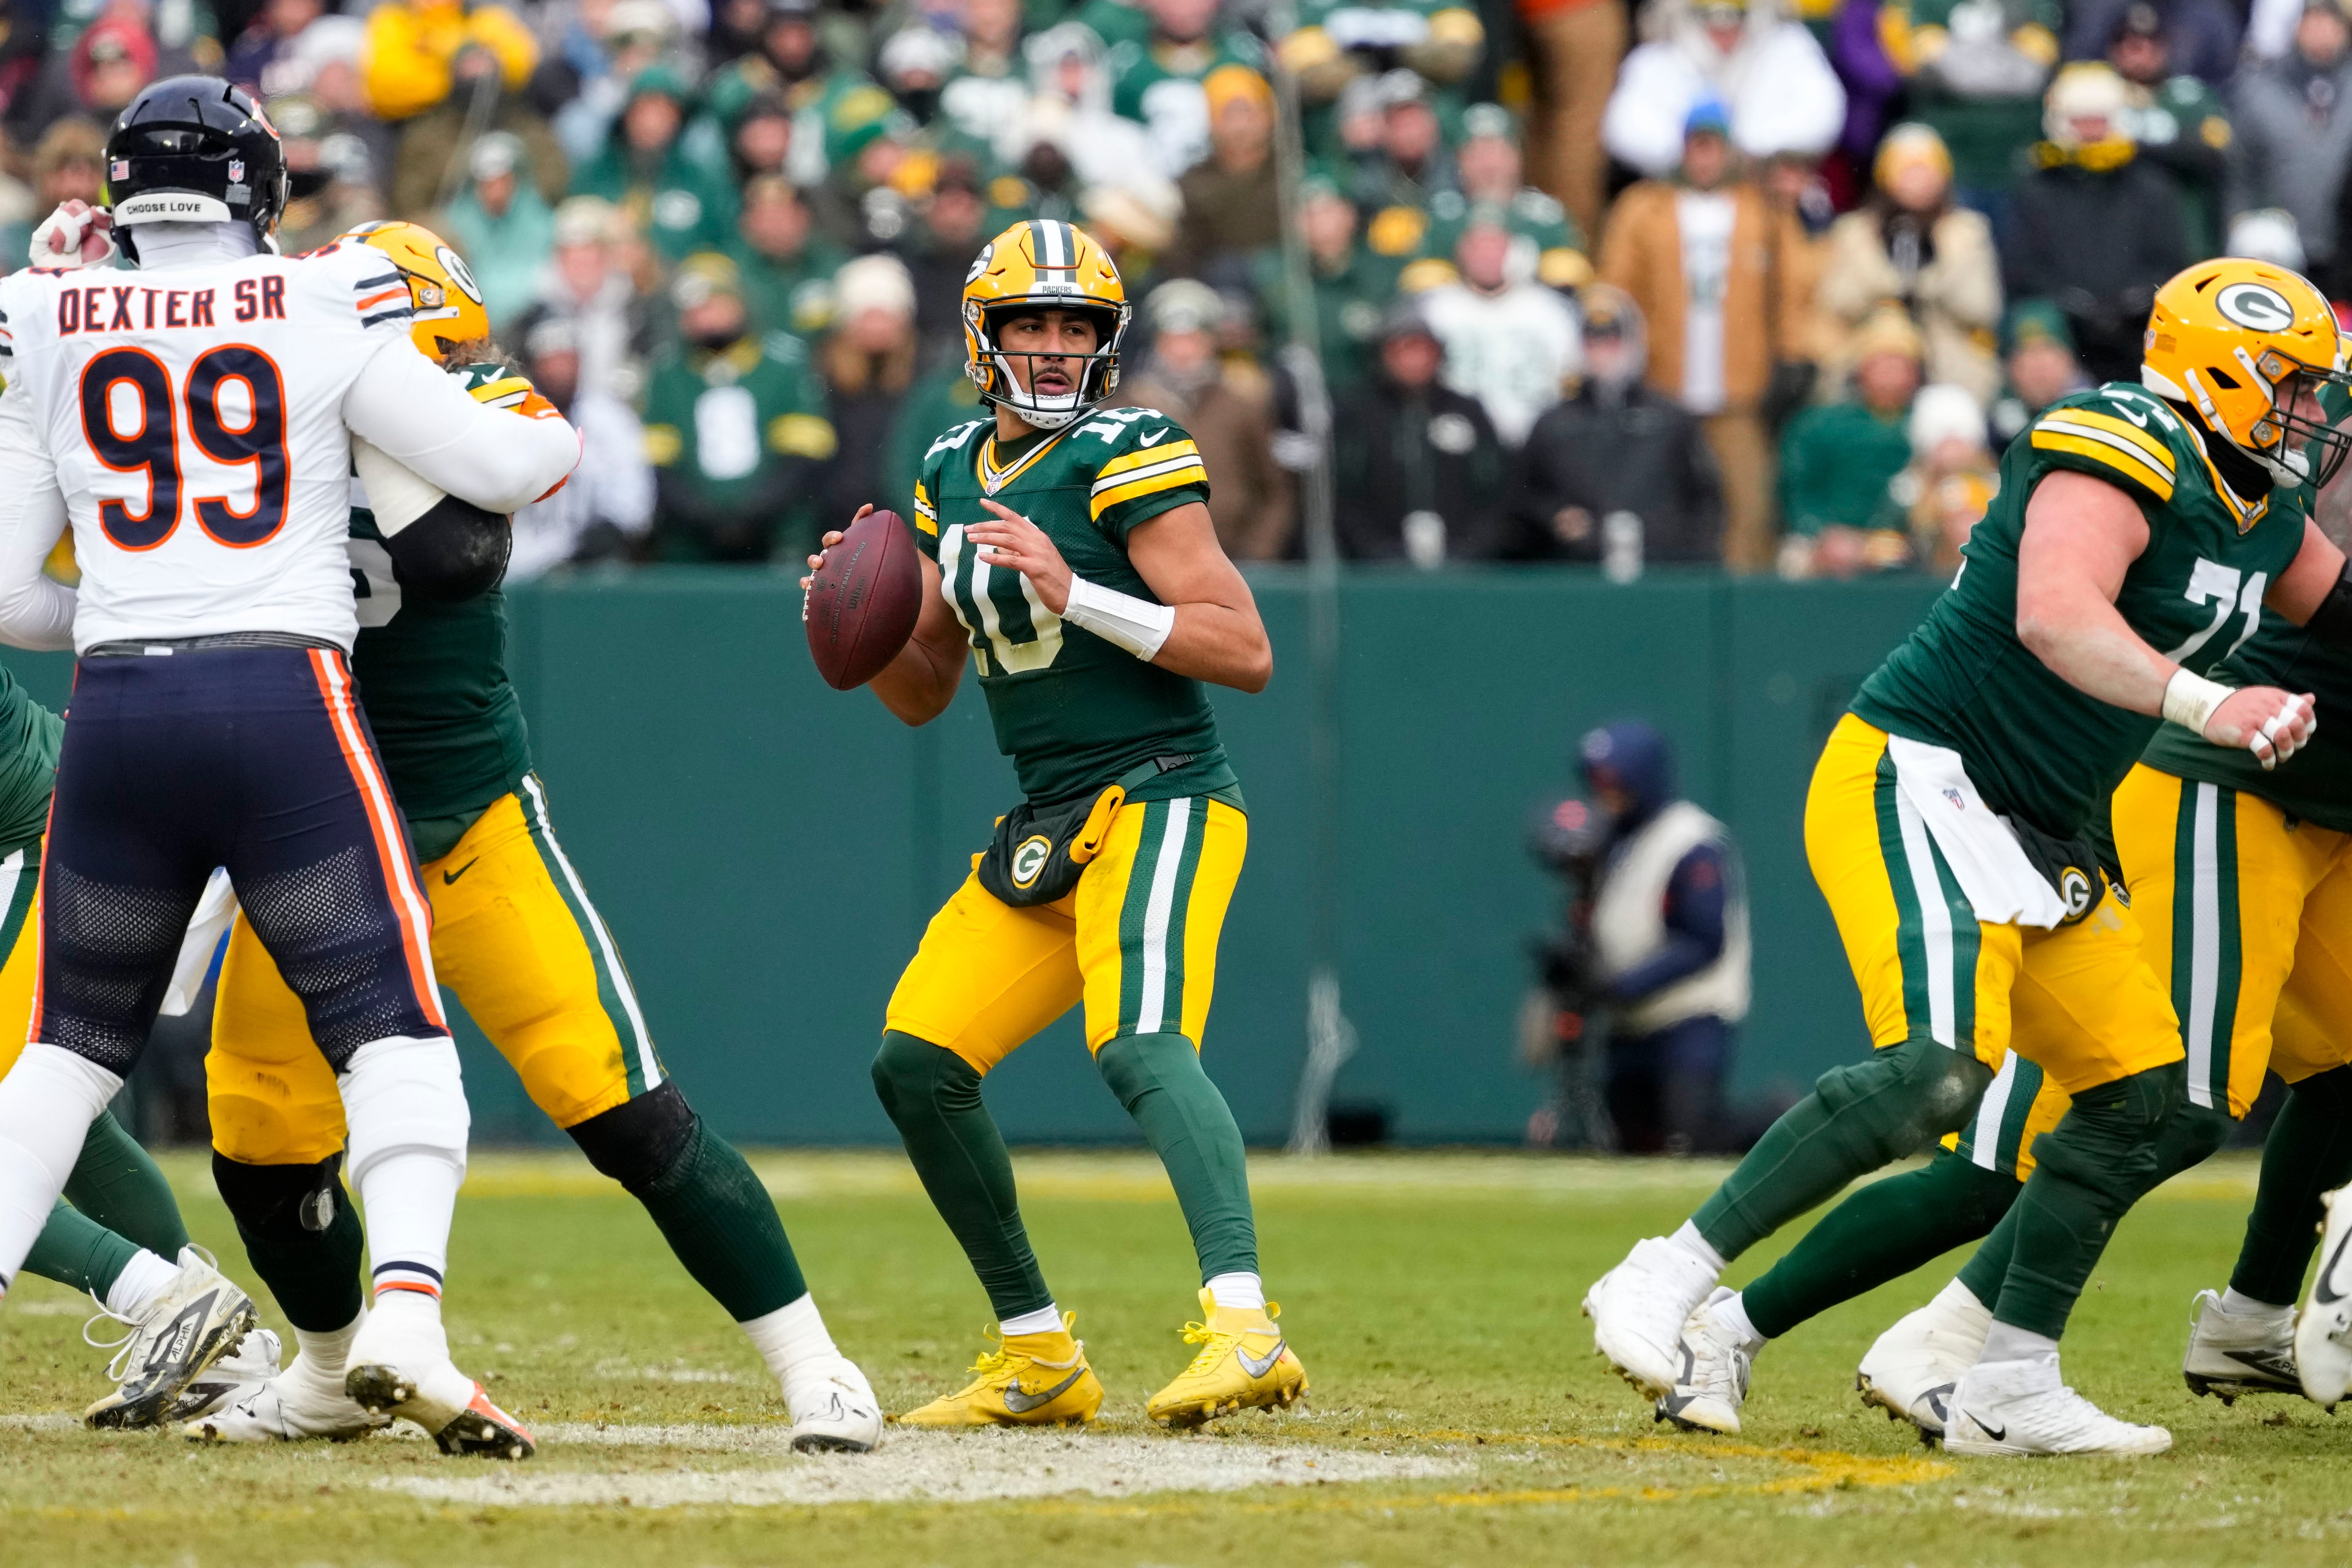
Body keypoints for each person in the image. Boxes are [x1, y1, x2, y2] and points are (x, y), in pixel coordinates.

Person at [1588, 254, 2352, 1458]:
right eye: (2294, 387)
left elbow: (2342, 605)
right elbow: (2057, 613)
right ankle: (1668, 1270)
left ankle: (2008, 1381)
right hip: (1925, 771)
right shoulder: (2123, 435)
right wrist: (2210, 704)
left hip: (2047, 827)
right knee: (1938, 1070)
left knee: (2143, 1099)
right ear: (2220, 372)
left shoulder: (2263, 507)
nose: (2315, 414)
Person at [164, 221, 876, 1452]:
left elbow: (457, 543)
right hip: (314, 837)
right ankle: (333, 1371)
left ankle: (815, 1360)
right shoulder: (258, 419)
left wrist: (361, 428)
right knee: (258, 1141)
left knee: (625, 1110)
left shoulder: (477, 406)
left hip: (462, 822)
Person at [0, 77, 577, 1456]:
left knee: (62, 1060)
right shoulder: (316, 300)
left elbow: (13, 597)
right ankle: (408, 1322)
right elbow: (500, 466)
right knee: (394, 1035)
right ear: (257, 183)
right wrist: (546, 421)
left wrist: (146, 613)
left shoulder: (44, 311)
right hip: (282, 701)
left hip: (122, 707)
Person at [802, 218, 1305, 1430]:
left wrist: (1079, 592)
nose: (1053, 345)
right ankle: (1037, 1352)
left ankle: (1247, 1328)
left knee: (1139, 1044)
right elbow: (925, 686)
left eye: (1076, 324)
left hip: (1165, 786)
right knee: (917, 1063)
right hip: (1049, 815)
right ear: (985, 335)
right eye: (1031, 321)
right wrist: (848, 619)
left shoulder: (1131, 449)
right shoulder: (947, 469)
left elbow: (1244, 649)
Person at [1598, 100, 1808, 572]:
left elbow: (1791, 293)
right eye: (1696, 146)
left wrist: (1793, 355)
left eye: (1714, 146)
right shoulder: (1643, 208)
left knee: (1748, 509)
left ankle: (1745, 607)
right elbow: (1615, 290)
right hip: (1661, 388)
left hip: (1738, 392)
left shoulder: (1763, 213)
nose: (1705, 157)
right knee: (1656, 505)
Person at [1575, 722, 1752, 1156]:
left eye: (1614, 782)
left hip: (1688, 1014)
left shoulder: (1691, 839)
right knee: (1632, 1143)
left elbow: (1704, 941)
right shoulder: (1614, 840)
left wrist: (1622, 986)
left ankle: (1785, 1119)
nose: (1605, 794)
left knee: (1693, 1133)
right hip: (1629, 1022)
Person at [641, 253, 837, 563]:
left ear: (740, 304)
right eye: (693, 309)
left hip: (779, 537)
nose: (703, 317)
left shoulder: (782, 366)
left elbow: (804, 458)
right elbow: (658, 465)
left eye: (713, 305)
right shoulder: (668, 375)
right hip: (689, 543)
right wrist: (702, 518)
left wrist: (753, 516)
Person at [2002, 63, 2191, 382]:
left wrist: (2136, 300)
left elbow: (2172, 263)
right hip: (2066, 337)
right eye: (2080, 121)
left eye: (2098, 120)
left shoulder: (2150, 186)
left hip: (2139, 337)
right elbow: (2022, 267)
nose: (2090, 131)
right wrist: (2071, 304)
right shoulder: (2037, 188)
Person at [1508, 286, 1723, 564]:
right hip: (1577, 570)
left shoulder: (1670, 419)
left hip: (1660, 569)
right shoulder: (1553, 423)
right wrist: (1554, 516)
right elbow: (1522, 497)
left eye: (1612, 341)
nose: (1602, 352)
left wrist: (1687, 552)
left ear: (1633, 343)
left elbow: (1705, 499)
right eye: (1591, 341)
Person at [1816, 123, 2002, 406]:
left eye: (1926, 171)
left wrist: (1934, 278)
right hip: (1869, 353)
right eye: (1907, 172)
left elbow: (1982, 308)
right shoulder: (1855, 232)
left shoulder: (1967, 231)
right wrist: (1887, 285)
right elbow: (1836, 302)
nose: (1918, 182)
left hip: (1945, 356)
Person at [1109, 280, 1294, 561]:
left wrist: (1258, 553)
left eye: (1193, 339)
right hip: (1144, 563)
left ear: (1212, 342)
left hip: (1232, 560)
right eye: (1172, 339)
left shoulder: (1242, 405)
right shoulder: (1127, 407)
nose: (1183, 351)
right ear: (1157, 342)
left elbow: (1274, 492)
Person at [1332, 299, 1511, 563]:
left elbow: (1497, 489)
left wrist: (1472, 550)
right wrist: (1376, 551)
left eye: (1421, 349)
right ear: (1384, 355)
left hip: (1465, 562)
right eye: (1402, 350)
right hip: (1376, 564)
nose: (1413, 360)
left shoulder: (1468, 411)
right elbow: (1343, 495)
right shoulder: (1357, 413)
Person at [1601, 0, 1845, 180]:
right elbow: (1624, 129)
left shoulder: (1785, 45)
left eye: (1737, 14)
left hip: (1764, 187)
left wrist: (1743, 151)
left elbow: (1823, 113)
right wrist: (1694, 155)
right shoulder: (1660, 55)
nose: (1725, 26)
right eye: (1711, 14)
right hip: (1677, 190)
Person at [1776, 309, 1924, 578]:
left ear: (1915, 373)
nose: (1890, 372)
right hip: (1830, 538)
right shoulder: (1819, 424)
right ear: (1861, 369)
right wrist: (1820, 533)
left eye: (1900, 363)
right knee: (1795, 563)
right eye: (1881, 362)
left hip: (1912, 539)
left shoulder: (1932, 422)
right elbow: (1798, 489)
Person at [1876, 0, 2059, 216]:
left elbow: (2036, 70)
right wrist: (2003, 62)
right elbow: (1920, 61)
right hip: (1952, 153)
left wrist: (1960, 59)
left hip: (2019, 153)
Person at [504, 312, 654, 576]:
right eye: (551, 360)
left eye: (567, 358)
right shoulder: (511, 414)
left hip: (590, 563)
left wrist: (611, 527)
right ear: (534, 364)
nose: (561, 369)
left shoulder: (610, 416)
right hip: (520, 562)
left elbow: (634, 500)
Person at [1417, 210, 1581, 449]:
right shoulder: (1436, 309)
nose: (1488, 257)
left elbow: (1573, 372)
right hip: (1458, 440)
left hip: (1535, 442)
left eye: (1496, 247)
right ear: (1462, 253)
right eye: (1478, 248)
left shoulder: (1550, 311)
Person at [2232, 0, 2352, 299]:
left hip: (2346, 246)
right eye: (2313, 23)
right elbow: (2240, 172)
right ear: (2296, 29)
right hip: (2278, 244)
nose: (2321, 34)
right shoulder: (2260, 88)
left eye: (2330, 24)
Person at [2109, 0, 2232, 256]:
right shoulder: (2099, 96)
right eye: (2130, 46)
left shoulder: (2192, 95)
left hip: (2188, 229)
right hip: (2122, 236)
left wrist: (2134, 148)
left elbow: (2214, 153)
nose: (2140, 55)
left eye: (2150, 45)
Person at [818, 254, 921, 532]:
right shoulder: (821, 378)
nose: (876, 326)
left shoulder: (924, 376)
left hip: (906, 523)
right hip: (835, 521)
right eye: (867, 316)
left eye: (885, 315)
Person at [1517, 0, 1628, 244]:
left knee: (1545, 131)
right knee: (1579, 133)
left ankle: (1538, 238)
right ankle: (1570, 248)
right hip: (1577, 9)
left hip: (1539, 13)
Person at [1164, 64, 1281, 283]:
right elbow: (1182, 255)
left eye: (1249, 113)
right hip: (1219, 286)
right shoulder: (1193, 183)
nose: (1241, 127)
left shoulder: (1290, 173)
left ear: (1268, 117)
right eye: (1229, 115)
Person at [440, 131, 553, 331]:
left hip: (528, 323)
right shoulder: (456, 223)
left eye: (503, 181)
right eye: (488, 184)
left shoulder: (539, 219)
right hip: (474, 322)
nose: (495, 192)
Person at [1987, 298, 2090, 447]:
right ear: (2009, 366)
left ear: (2069, 360)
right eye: (2027, 355)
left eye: (2047, 353)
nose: (2039, 369)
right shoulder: (1994, 430)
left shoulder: (2096, 412)